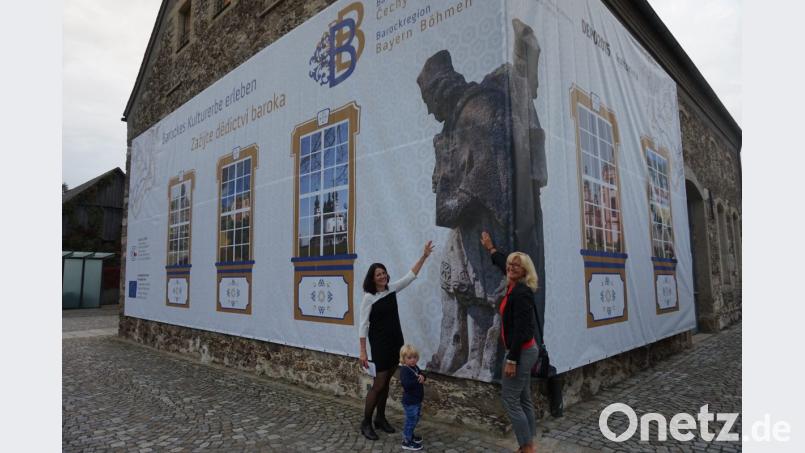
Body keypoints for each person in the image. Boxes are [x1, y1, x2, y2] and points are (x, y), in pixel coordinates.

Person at [417, 19, 547, 381]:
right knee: (458, 280)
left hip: (492, 218)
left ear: (443, 89)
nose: (430, 111)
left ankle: (485, 359)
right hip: (475, 219)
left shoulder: (478, 109)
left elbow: (487, 175)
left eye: (429, 101)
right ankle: (462, 352)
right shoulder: (456, 120)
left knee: (486, 289)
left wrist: (453, 202)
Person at [358, 241, 434, 440]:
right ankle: (366, 422)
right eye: (378, 274)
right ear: (372, 279)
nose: (382, 276)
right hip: (380, 344)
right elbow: (363, 325)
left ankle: (380, 419)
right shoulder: (369, 298)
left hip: (396, 342)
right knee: (379, 383)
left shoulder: (390, 289)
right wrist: (363, 351)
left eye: (383, 273)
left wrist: (424, 256)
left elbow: (410, 276)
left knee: (387, 381)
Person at [481, 231, 539, 453]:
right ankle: (529, 444)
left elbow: (523, 331)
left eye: (517, 266)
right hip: (523, 350)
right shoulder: (514, 286)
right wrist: (491, 248)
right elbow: (502, 262)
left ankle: (526, 447)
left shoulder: (521, 293)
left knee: (510, 400)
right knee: (523, 399)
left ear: (525, 271)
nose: (511, 267)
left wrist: (512, 359)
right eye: (510, 264)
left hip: (521, 352)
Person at [398, 344, 426, 451]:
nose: (412, 360)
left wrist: (423, 377)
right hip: (410, 401)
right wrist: (417, 380)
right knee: (411, 420)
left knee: (415, 418)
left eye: (414, 357)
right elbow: (406, 384)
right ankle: (406, 440)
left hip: (417, 400)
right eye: (409, 358)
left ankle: (410, 435)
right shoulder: (405, 370)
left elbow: (421, 374)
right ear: (403, 359)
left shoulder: (415, 367)